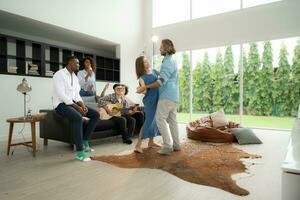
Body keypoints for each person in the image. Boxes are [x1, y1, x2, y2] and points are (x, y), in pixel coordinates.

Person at [137, 39, 180, 155]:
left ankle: (167, 145)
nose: (160, 49)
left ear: (166, 48)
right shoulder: (170, 61)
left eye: (161, 47)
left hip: (166, 95)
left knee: (160, 120)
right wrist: (143, 88)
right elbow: (164, 76)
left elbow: (160, 82)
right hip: (172, 96)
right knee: (172, 121)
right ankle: (176, 144)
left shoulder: (167, 62)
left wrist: (146, 86)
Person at [53, 56, 99, 161]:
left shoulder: (74, 77)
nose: (79, 65)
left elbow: (76, 95)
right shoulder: (59, 75)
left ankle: (85, 141)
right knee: (78, 117)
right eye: (77, 63)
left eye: (79, 64)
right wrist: (77, 107)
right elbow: (61, 95)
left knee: (95, 115)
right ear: (70, 63)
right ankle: (79, 152)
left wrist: (82, 105)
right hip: (61, 104)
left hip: (73, 103)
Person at [134, 56, 160, 153]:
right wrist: (140, 90)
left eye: (147, 60)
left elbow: (162, 80)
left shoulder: (154, 71)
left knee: (155, 121)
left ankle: (151, 142)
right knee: (148, 121)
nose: (147, 62)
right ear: (141, 65)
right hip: (149, 100)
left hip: (158, 98)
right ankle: (138, 145)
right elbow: (144, 91)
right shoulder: (142, 78)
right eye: (144, 62)